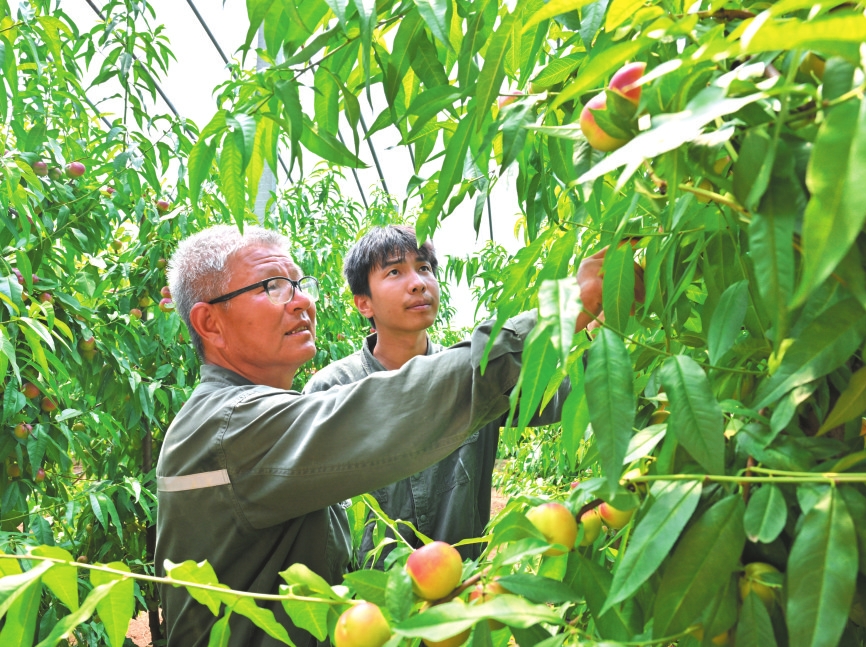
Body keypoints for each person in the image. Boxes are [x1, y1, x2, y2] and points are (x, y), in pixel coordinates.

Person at [154, 224, 606, 647]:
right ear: (210, 324)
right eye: (272, 286)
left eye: (299, 284)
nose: (301, 301)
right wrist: (561, 310)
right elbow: (394, 408)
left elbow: (556, 396)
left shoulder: (247, 416)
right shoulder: (234, 426)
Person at [303, 225, 568, 567]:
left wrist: (595, 333)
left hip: (465, 585)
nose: (418, 283)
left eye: (424, 268)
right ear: (364, 303)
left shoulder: (479, 372)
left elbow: (561, 396)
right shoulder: (332, 389)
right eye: (395, 272)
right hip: (370, 592)